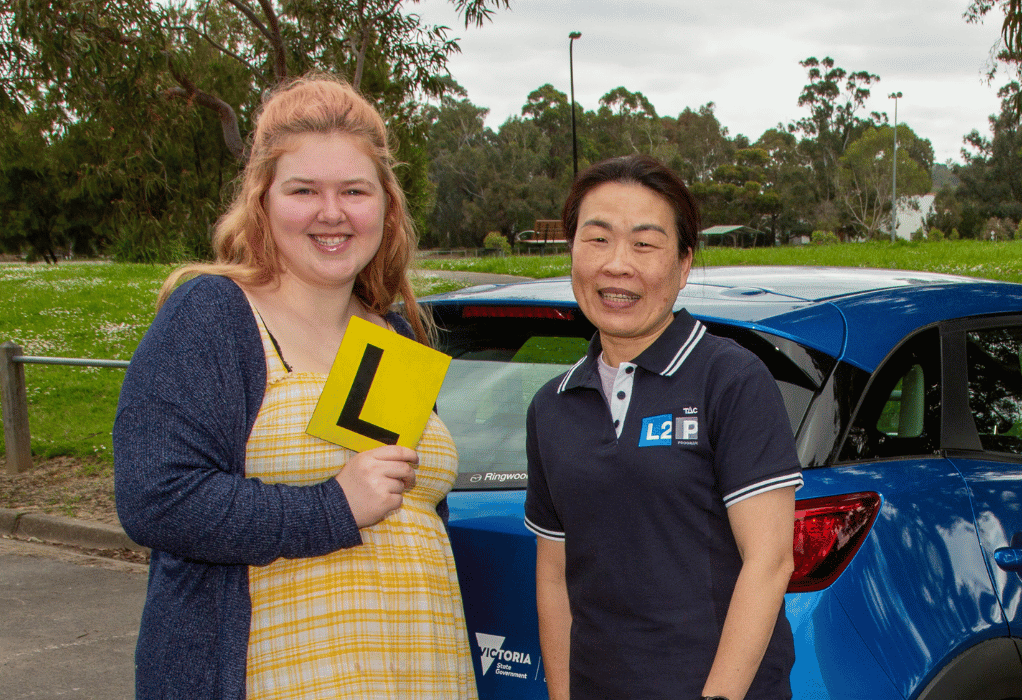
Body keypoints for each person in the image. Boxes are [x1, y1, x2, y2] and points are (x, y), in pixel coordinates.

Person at [113, 75, 477, 700]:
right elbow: (156, 497)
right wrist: (331, 508)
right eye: (304, 190)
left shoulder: (394, 335)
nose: (331, 212)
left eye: (354, 191)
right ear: (263, 200)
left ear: (386, 205)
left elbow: (406, 507)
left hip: (418, 672)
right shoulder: (216, 314)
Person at [526, 155, 802, 700]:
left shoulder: (731, 379)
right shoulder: (551, 407)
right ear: (572, 252)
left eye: (644, 244)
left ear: (682, 265)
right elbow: (555, 579)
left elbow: (769, 562)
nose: (617, 265)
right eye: (597, 239)